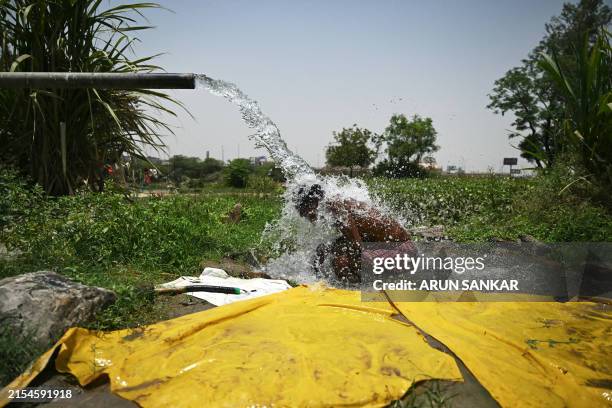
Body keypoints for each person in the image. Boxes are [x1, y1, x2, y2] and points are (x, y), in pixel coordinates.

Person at [294, 184, 414, 283]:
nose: (310, 219)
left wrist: (328, 250)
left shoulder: (337, 208)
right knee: (337, 251)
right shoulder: (335, 204)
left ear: (314, 203)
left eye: (308, 214)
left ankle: (354, 295)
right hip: (393, 249)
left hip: (404, 253)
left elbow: (358, 247)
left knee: (341, 261)